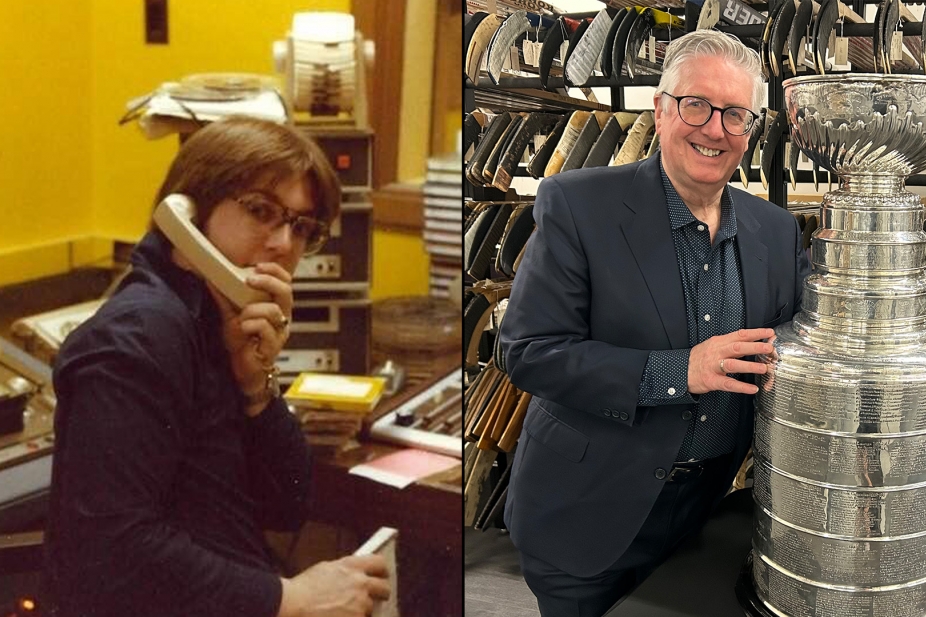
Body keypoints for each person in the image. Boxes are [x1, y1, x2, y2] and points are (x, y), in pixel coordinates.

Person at [499, 30, 812, 616]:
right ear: (660, 107)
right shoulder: (577, 204)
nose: (715, 129)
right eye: (697, 105)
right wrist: (679, 371)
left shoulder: (775, 230)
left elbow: (795, 345)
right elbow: (529, 351)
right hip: (588, 513)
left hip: (704, 515)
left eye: (736, 115)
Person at [45, 116, 391, 617]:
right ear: (186, 213)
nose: (283, 244)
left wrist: (255, 387)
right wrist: (290, 599)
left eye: (301, 227)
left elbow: (288, 506)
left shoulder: (216, 324)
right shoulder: (140, 338)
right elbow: (109, 553)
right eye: (261, 211)